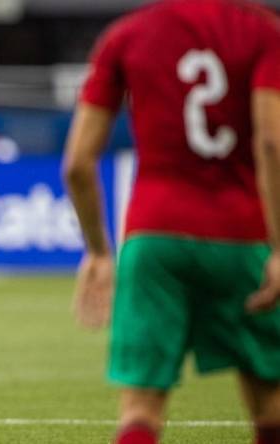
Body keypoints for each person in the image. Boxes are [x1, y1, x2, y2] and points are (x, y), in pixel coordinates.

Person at [63, 1, 280, 443]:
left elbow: (78, 164)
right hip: (242, 235)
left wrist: (100, 252)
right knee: (269, 401)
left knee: (140, 410)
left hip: (154, 236)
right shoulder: (263, 31)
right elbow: (272, 143)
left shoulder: (126, 35)